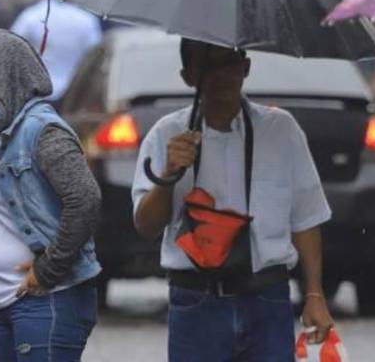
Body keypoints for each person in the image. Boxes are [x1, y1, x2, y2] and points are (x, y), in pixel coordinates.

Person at [132, 39, 334, 362]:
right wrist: (169, 174)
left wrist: (314, 295)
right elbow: (145, 225)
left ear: (246, 67)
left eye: (227, 61)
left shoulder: (281, 130)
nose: (220, 74)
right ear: (188, 75)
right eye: (206, 64)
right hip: (195, 302)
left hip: (267, 300)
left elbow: (307, 217)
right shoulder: (165, 135)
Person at [0, 29, 101, 361]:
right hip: (9, 299)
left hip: (49, 299)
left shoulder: (43, 131)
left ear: (3, 79)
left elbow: (85, 200)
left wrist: (49, 268)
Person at [11, 0, 102, 102]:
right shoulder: (87, 20)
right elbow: (96, 56)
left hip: (36, 92)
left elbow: (10, 49)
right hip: (74, 95)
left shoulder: (31, 15)